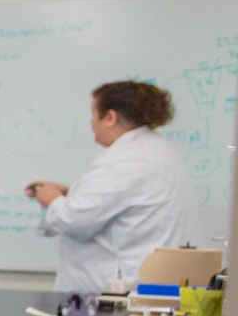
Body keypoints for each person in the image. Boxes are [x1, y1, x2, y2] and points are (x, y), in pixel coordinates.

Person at [27, 80, 192, 295]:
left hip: (117, 293)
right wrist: (72, 194)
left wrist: (51, 199)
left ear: (110, 118)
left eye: (93, 115)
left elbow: (73, 219)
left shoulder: (125, 161)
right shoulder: (156, 149)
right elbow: (117, 203)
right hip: (146, 283)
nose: (91, 124)